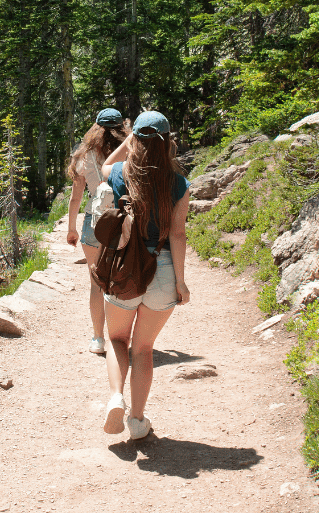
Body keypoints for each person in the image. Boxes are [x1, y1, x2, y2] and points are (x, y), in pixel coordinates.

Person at [98, 110, 190, 440]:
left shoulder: (120, 173)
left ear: (135, 140)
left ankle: (115, 397)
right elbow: (177, 235)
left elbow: (105, 165)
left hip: (126, 268)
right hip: (162, 271)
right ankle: (137, 421)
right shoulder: (178, 183)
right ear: (167, 143)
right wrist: (180, 281)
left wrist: (130, 141)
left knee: (117, 340)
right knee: (144, 349)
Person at [66, 108, 129, 354]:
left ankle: (97, 339)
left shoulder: (84, 155)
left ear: (95, 128)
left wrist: (71, 228)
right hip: (124, 220)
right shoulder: (131, 151)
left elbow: (75, 197)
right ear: (121, 126)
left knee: (96, 284)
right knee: (121, 278)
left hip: (94, 219)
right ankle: (120, 337)